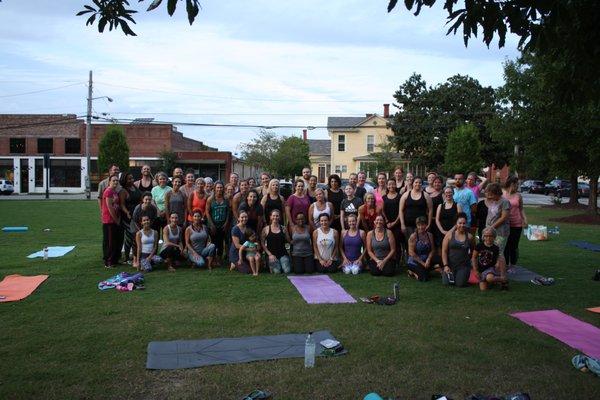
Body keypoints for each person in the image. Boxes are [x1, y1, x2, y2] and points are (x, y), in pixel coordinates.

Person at [441, 212, 474, 287]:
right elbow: (444, 251)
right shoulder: (449, 235)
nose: (462, 225)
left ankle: (463, 274)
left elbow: (473, 250)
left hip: (463, 266)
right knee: (447, 283)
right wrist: (446, 265)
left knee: (460, 284)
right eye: (460, 223)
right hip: (450, 265)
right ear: (456, 224)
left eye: (464, 223)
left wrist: (470, 261)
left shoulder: (470, 237)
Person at [503, 176, 527, 269]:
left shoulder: (518, 196)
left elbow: (521, 208)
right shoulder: (502, 194)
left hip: (517, 224)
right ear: (511, 184)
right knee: (505, 245)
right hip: (505, 224)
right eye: (516, 184)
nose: (518, 186)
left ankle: (513, 265)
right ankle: (505, 264)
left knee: (514, 245)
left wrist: (525, 219)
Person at [407, 216, 439, 281]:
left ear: (426, 225)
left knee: (439, 260)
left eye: (423, 225)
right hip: (415, 260)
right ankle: (412, 272)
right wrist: (423, 263)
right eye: (419, 225)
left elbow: (433, 250)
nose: (421, 227)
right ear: (416, 226)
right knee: (424, 278)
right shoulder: (413, 236)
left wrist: (429, 259)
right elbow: (411, 253)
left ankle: (427, 269)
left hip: (426, 258)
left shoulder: (430, 235)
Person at [118, 172, 141, 264]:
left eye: (132, 178)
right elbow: (122, 204)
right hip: (128, 216)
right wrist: (127, 212)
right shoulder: (123, 191)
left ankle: (134, 255)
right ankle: (126, 257)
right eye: (129, 179)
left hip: (137, 215)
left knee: (135, 236)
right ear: (124, 180)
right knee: (130, 237)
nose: (132, 180)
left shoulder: (135, 187)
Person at [205, 181, 230, 265]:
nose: (219, 189)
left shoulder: (226, 199)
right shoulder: (210, 199)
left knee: (221, 242)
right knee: (213, 242)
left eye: (221, 187)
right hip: (213, 224)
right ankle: (213, 258)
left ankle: (219, 258)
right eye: (218, 187)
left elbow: (228, 212)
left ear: (223, 189)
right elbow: (207, 212)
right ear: (214, 189)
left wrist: (226, 223)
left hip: (223, 224)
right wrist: (211, 224)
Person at [484, 182, 511, 258]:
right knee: (490, 250)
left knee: (498, 252)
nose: (490, 196)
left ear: (497, 193)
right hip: (490, 230)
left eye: (491, 194)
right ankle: (491, 268)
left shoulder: (505, 202)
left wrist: (491, 227)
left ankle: (501, 269)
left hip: (500, 232)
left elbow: (503, 218)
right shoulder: (492, 200)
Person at [262, 209, 291, 274]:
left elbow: (289, 240)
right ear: (270, 217)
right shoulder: (266, 229)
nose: (275, 217)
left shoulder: (284, 228)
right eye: (273, 216)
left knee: (287, 271)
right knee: (277, 272)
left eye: (277, 216)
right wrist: (269, 254)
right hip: (272, 254)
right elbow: (262, 243)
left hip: (283, 254)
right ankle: (270, 265)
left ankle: (282, 263)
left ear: (280, 217)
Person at [102, 175, 122, 268]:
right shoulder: (108, 191)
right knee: (109, 242)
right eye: (113, 180)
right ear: (109, 181)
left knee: (115, 241)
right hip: (109, 221)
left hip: (115, 221)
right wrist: (116, 219)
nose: (115, 182)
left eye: (117, 181)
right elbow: (110, 208)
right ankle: (108, 261)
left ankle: (114, 260)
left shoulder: (115, 191)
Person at [382, 178, 403, 260]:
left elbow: (401, 211)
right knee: (387, 243)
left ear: (396, 185)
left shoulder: (400, 197)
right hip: (387, 224)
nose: (391, 186)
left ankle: (397, 261)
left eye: (393, 184)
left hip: (397, 224)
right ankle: (389, 259)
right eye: (389, 184)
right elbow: (383, 210)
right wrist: (387, 221)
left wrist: (395, 222)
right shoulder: (384, 197)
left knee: (397, 243)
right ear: (387, 186)